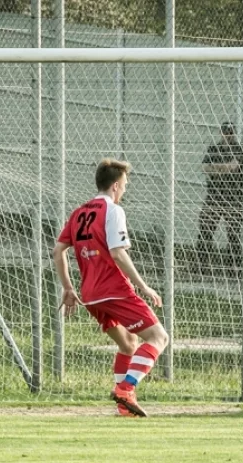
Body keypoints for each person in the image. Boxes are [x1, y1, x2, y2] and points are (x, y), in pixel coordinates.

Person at [52, 159, 169, 418]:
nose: (125, 189)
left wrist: (68, 288)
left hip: (90, 294)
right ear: (116, 185)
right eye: (125, 185)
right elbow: (117, 253)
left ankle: (123, 406)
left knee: (129, 344)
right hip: (114, 289)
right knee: (159, 338)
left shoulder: (79, 212)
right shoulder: (113, 210)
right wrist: (144, 286)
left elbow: (58, 250)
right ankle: (126, 389)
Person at [198, 122, 243, 268]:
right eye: (226, 132)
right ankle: (202, 264)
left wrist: (215, 168)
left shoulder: (238, 149)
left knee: (233, 233)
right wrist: (223, 168)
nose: (228, 135)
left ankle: (233, 266)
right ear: (221, 132)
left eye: (231, 132)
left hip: (233, 197)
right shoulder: (214, 148)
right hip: (214, 195)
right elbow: (205, 168)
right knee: (205, 228)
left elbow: (233, 167)